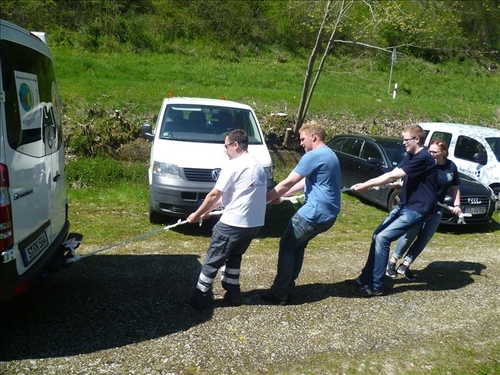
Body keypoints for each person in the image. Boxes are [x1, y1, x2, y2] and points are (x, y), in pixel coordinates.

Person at [347, 125, 437, 297]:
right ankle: (365, 278)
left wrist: (365, 185)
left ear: (417, 140)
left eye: (406, 139)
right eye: (403, 139)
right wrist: (400, 183)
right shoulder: (410, 156)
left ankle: (376, 286)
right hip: (405, 205)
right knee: (377, 235)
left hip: (418, 209)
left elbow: (391, 176)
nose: (403, 143)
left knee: (383, 238)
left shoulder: (423, 157)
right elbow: (395, 173)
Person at [259, 120, 341, 305]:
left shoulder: (313, 156)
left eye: (303, 139)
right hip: (329, 214)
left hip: (315, 212)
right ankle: (288, 286)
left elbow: (287, 182)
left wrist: (262, 200)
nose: (301, 143)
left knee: (288, 245)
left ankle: (280, 292)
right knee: (297, 246)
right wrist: (277, 197)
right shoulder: (330, 155)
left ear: (314, 137)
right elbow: (304, 183)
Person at [186, 129, 267, 310]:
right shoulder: (257, 165)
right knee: (234, 256)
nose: (226, 150)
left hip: (233, 223)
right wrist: (209, 211)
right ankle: (233, 292)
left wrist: (196, 215)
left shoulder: (234, 165)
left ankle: (199, 297)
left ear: (235, 145)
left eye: (226, 146)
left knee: (213, 259)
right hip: (254, 224)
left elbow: (214, 194)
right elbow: (235, 195)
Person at [386, 140, 461, 281]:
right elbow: (411, 176)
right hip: (419, 207)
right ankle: (392, 262)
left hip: (436, 208)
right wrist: (401, 184)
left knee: (424, 237)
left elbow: (455, 187)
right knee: (410, 234)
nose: (431, 154)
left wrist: (457, 205)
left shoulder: (451, 166)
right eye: (430, 151)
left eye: (434, 152)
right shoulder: (426, 163)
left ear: (443, 153)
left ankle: (406, 265)